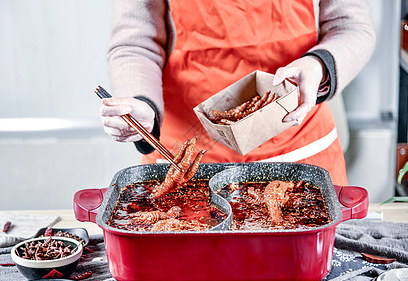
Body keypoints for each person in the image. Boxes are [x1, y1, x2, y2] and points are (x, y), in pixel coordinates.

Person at [100, 0, 376, 186]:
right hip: (187, 156)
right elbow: (136, 41)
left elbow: (351, 26)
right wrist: (140, 103)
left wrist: (319, 65)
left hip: (297, 146)